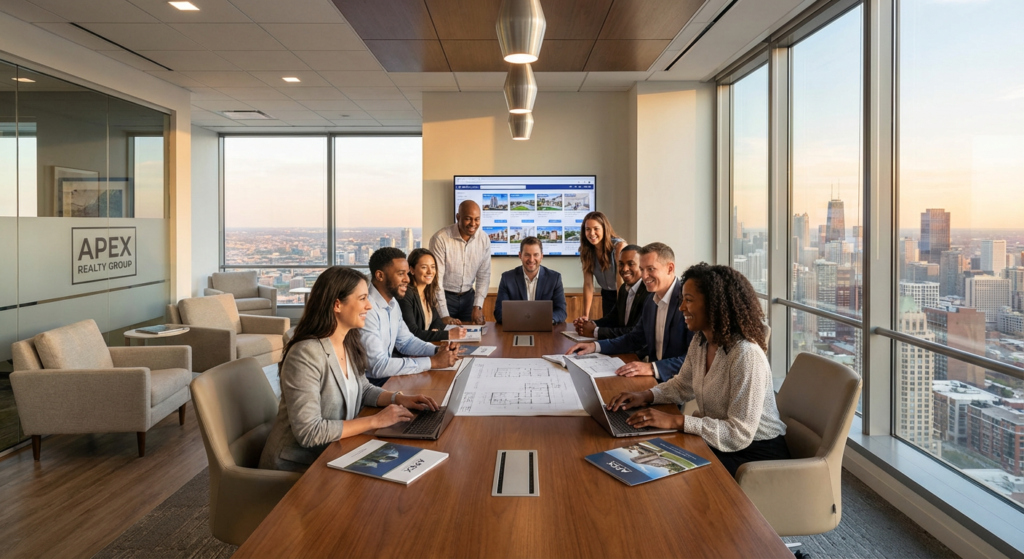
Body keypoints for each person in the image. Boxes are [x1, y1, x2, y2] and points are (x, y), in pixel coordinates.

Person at [607, 263, 789, 477]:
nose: (682, 307)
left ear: (714, 305)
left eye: (689, 300)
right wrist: (645, 395)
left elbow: (739, 433)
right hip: (719, 441)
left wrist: (676, 420)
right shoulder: (702, 340)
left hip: (755, 454)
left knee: (667, 475)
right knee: (642, 456)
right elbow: (682, 385)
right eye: (682, 299)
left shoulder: (745, 354)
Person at [258, 267, 439, 472]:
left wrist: (399, 398)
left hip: (336, 450)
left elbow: (363, 388)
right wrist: (375, 421)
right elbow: (309, 432)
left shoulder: (348, 341)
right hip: (298, 466)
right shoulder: (305, 354)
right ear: (337, 305)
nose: (369, 306)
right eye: (362, 298)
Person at [566, 242, 693, 382]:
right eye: (642, 269)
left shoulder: (689, 301)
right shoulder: (651, 300)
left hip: (680, 384)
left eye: (650, 269)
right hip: (654, 381)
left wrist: (652, 367)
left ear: (670, 268)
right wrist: (595, 346)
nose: (644, 276)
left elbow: (695, 359)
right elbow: (633, 339)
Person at [360, 247, 461, 387]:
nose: (407, 279)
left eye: (407, 273)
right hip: (371, 384)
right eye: (401, 274)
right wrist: (433, 362)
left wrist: (437, 350)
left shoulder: (393, 303)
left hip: (387, 377)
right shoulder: (367, 309)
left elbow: (406, 342)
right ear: (380, 276)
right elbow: (378, 367)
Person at [429, 200, 490, 325]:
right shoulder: (440, 239)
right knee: (444, 339)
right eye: (468, 219)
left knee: (471, 339)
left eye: (477, 219)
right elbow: (436, 280)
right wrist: (444, 314)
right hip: (444, 297)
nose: (473, 223)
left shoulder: (483, 239)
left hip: (469, 298)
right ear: (458, 217)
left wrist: (477, 306)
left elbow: (484, 275)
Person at [573, 244, 648, 340]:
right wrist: (590, 324)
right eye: (621, 264)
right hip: (621, 346)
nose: (624, 269)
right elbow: (613, 318)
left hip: (638, 353)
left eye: (630, 264)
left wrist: (595, 331)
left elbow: (635, 332)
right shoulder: (623, 289)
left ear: (642, 266)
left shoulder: (648, 292)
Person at [493, 237, 567, 324]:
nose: (531, 260)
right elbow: (499, 311)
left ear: (541, 256)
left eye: (536, 255)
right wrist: (523, 321)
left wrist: (545, 321)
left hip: (544, 329)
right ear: (520, 255)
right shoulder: (507, 278)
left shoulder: (554, 278)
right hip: (516, 328)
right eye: (527, 255)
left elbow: (561, 311)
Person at [399, 248, 467, 342]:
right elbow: (412, 333)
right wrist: (448, 334)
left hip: (424, 346)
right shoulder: (406, 295)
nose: (430, 272)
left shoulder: (427, 291)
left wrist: (435, 331)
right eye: (424, 267)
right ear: (412, 270)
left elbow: (437, 321)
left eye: (433, 267)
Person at [578, 211, 627, 320]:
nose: (592, 233)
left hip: (624, 294)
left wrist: (621, 309)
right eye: (588, 229)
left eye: (596, 228)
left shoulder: (619, 247)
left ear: (605, 229)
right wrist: (585, 315)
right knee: (608, 328)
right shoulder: (586, 251)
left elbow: (621, 284)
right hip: (607, 294)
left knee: (620, 329)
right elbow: (588, 284)